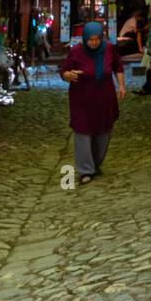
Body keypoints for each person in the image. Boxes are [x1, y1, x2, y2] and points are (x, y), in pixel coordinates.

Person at [59, 21, 126, 185]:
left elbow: (118, 67)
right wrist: (68, 75)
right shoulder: (76, 52)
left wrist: (121, 86)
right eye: (91, 39)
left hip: (104, 99)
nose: (94, 42)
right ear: (85, 39)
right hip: (81, 99)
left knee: (103, 132)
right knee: (83, 132)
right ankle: (85, 170)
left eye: (97, 39)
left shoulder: (109, 49)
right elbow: (64, 71)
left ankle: (95, 164)